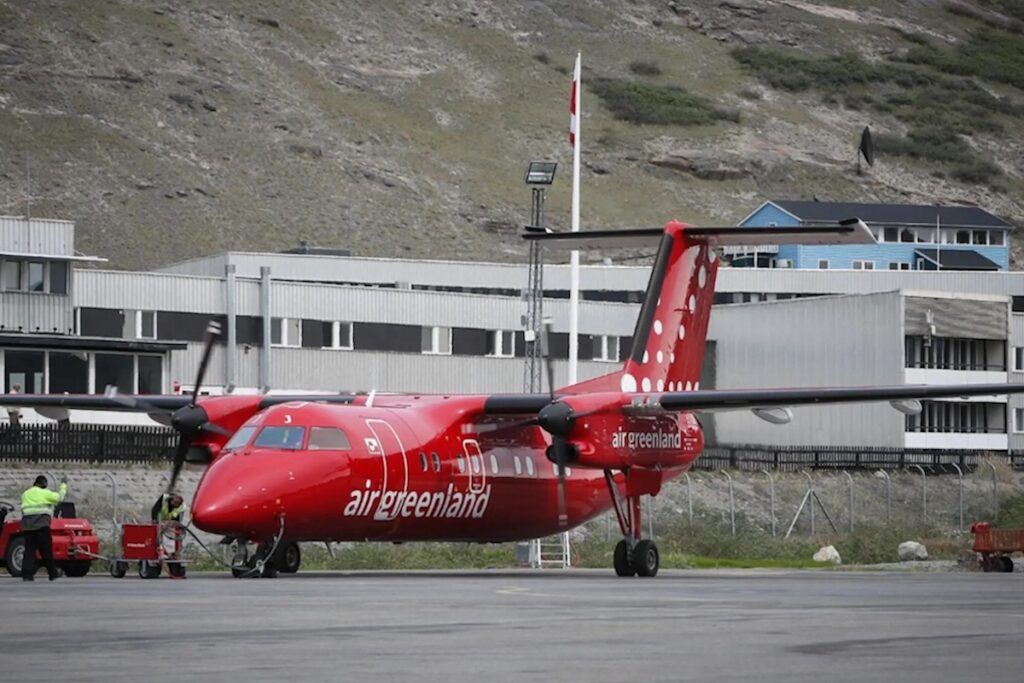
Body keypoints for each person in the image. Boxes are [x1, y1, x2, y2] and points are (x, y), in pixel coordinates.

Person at [19, 475, 67, 581]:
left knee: (29, 551)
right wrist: (63, 486)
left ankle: (27, 575)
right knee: (46, 551)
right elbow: (60, 498)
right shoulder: (45, 493)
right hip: (41, 526)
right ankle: (52, 573)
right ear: (44, 484)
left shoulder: (25, 494)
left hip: (27, 527)